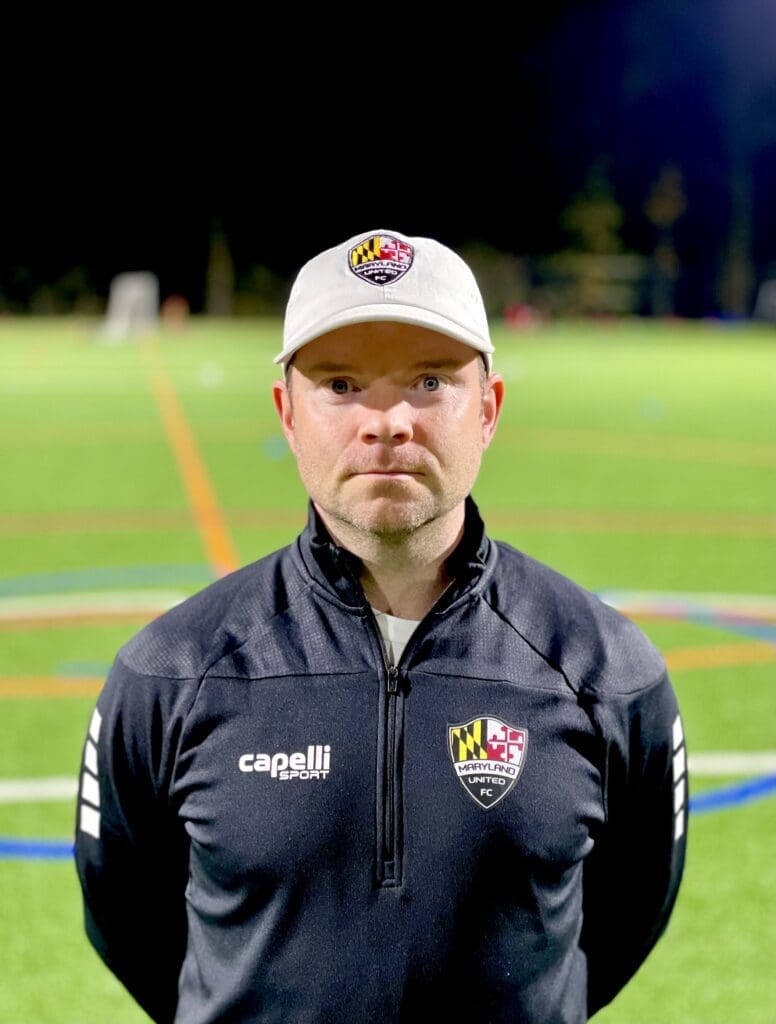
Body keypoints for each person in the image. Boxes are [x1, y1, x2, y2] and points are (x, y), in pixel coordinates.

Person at [74, 228, 688, 1024]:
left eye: (430, 381)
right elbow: (129, 921)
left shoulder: (608, 672)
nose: (387, 421)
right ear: (287, 415)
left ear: (489, 409)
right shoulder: (170, 673)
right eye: (340, 384)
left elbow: (625, 915)